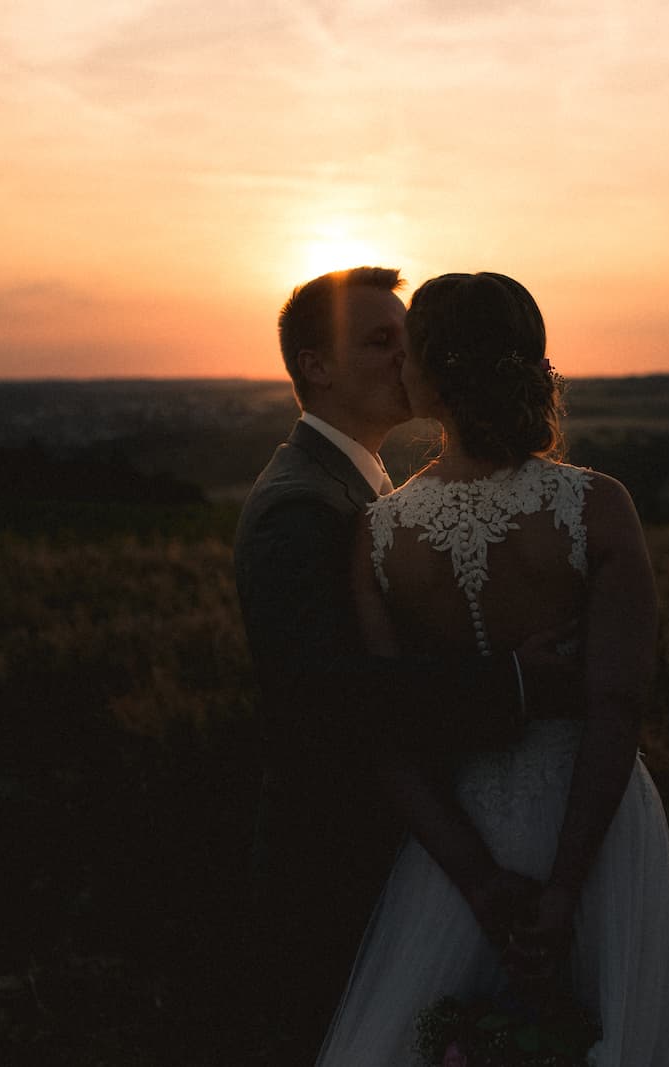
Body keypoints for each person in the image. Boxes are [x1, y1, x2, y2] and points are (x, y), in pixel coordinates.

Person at [315, 272, 669, 1065]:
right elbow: (617, 708)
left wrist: (477, 882)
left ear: (435, 371)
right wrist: (565, 890)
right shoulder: (598, 507)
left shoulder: (378, 533)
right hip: (598, 834)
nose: (399, 365)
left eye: (409, 351)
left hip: (462, 841)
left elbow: (387, 731)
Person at [233, 266, 573, 1062]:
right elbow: (323, 696)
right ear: (316, 366)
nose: (406, 357)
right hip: (334, 859)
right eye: (381, 340)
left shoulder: (362, 485)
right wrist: (512, 682)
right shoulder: (300, 506)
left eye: (408, 339)